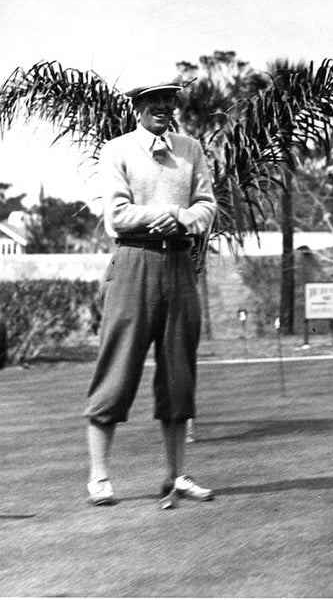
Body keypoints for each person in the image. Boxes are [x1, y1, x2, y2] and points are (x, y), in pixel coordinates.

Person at [84, 82, 217, 508]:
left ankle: (177, 475)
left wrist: (178, 220)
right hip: (134, 263)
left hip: (179, 264)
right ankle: (100, 477)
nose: (162, 107)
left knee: (180, 372)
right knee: (118, 367)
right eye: (152, 101)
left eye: (168, 101)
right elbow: (118, 215)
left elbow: (207, 206)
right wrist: (166, 215)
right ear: (137, 106)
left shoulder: (190, 149)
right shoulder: (117, 150)